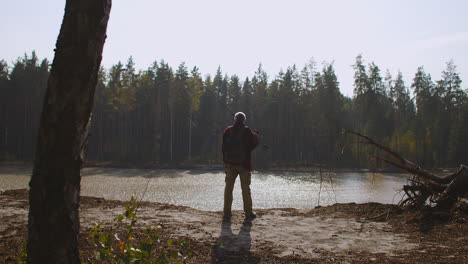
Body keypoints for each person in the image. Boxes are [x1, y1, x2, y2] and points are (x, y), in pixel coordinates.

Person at [222, 112, 259, 220]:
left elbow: (223, 147)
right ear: (244, 120)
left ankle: (227, 214)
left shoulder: (228, 130)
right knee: (245, 189)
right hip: (244, 164)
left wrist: (225, 161)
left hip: (230, 164)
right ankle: (248, 213)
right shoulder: (247, 131)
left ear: (235, 119)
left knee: (228, 189)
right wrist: (256, 136)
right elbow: (253, 145)